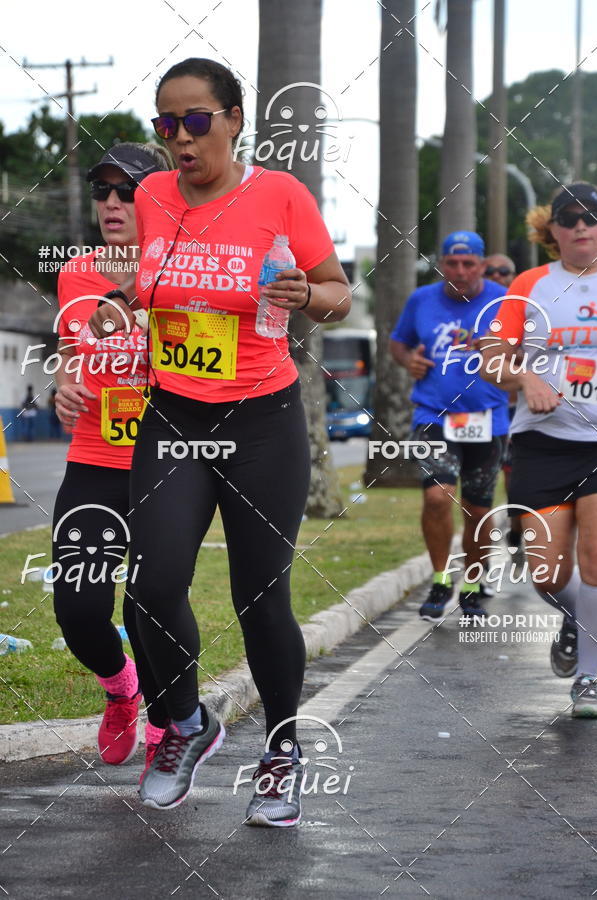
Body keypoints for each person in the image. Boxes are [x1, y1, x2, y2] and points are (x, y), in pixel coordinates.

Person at [88, 58, 350, 823]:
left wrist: (310, 295)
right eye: (165, 124)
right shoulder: (152, 195)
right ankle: (186, 724)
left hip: (262, 421)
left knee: (260, 598)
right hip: (174, 415)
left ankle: (281, 751)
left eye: (194, 120)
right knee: (153, 582)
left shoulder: (281, 195)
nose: (178, 139)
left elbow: (336, 289)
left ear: (234, 119)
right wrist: (119, 306)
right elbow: (154, 280)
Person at [52, 143, 172, 772]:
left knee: (149, 603)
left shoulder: (182, 268)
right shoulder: (75, 273)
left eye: (128, 191)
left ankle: (163, 717)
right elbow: (74, 354)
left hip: (166, 464)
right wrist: (64, 387)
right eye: (103, 192)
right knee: (77, 607)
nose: (113, 203)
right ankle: (120, 689)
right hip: (94, 459)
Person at [481, 182, 597, 718]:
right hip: (542, 443)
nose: (581, 225)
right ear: (550, 229)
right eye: (569, 217)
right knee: (548, 575)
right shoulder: (530, 285)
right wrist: (524, 374)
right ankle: (577, 618)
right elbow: (490, 360)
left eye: (592, 216)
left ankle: (591, 677)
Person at [390, 231, 509, 622]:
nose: (460, 271)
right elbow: (399, 343)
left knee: (477, 509)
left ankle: (472, 587)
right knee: (438, 497)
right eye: (452, 263)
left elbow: (528, 347)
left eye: (468, 264)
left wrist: (498, 351)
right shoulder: (422, 300)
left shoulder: (503, 300)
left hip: (487, 417)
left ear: (481, 265)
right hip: (434, 415)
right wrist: (410, 362)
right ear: (442, 263)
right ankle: (441, 579)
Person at [485, 254, 524, 559]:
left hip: (516, 409)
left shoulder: (526, 306)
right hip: (479, 409)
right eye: (490, 271)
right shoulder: (477, 305)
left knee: (514, 476)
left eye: (504, 271)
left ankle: (516, 527)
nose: (497, 276)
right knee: (480, 483)